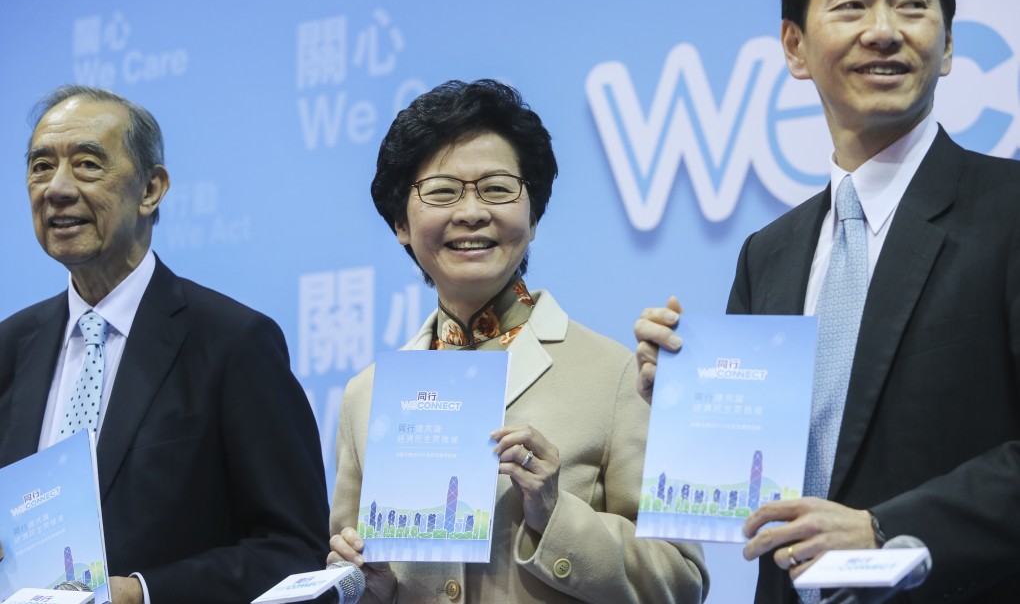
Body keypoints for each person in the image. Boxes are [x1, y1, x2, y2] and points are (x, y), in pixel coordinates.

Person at [635, 0, 1020, 602]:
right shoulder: (769, 254)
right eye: (851, 5)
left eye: (911, 4)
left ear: (950, 44)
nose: (883, 30)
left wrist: (884, 529)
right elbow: (746, 487)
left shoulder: (1008, 211)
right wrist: (684, 405)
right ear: (795, 47)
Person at [327, 79, 708, 603]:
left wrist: (553, 514)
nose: (471, 212)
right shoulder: (367, 396)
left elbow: (682, 581)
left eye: (498, 188)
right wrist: (372, 587)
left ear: (533, 216)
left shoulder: (617, 375)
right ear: (400, 223)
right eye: (441, 191)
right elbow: (362, 574)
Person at [0, 85, 329, 604]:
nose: (56, 189)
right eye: (41, 166)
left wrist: (143, 594)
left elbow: (294, 552)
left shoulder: (234, 343)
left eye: (86, 164)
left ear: (151, 189)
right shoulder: (10, 347)